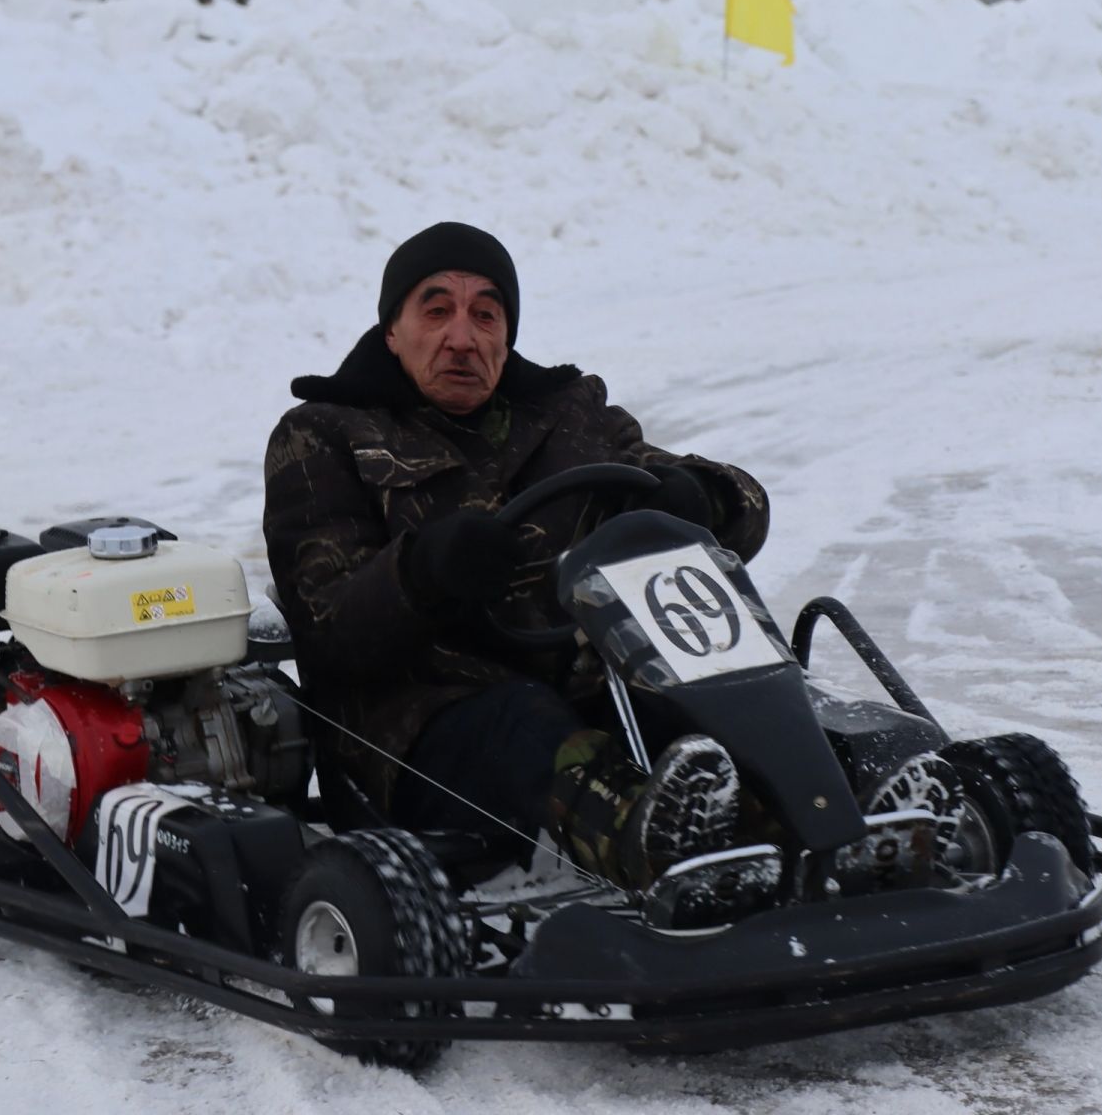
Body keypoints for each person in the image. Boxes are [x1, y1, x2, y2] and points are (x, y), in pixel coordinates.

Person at [262, 222, 773, 889]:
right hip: (418, 729)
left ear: (508, 334)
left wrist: (704, 498)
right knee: (522, 725)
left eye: (486, 314)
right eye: (437, 310)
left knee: (699, 690)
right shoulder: (322, 435)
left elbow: (733, 511)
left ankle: (828, 816)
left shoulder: (569, 413)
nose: (463, 337)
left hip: (585, 682)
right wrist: (422, 571)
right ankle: (666, 857)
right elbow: (326, 629)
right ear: (393, 331)